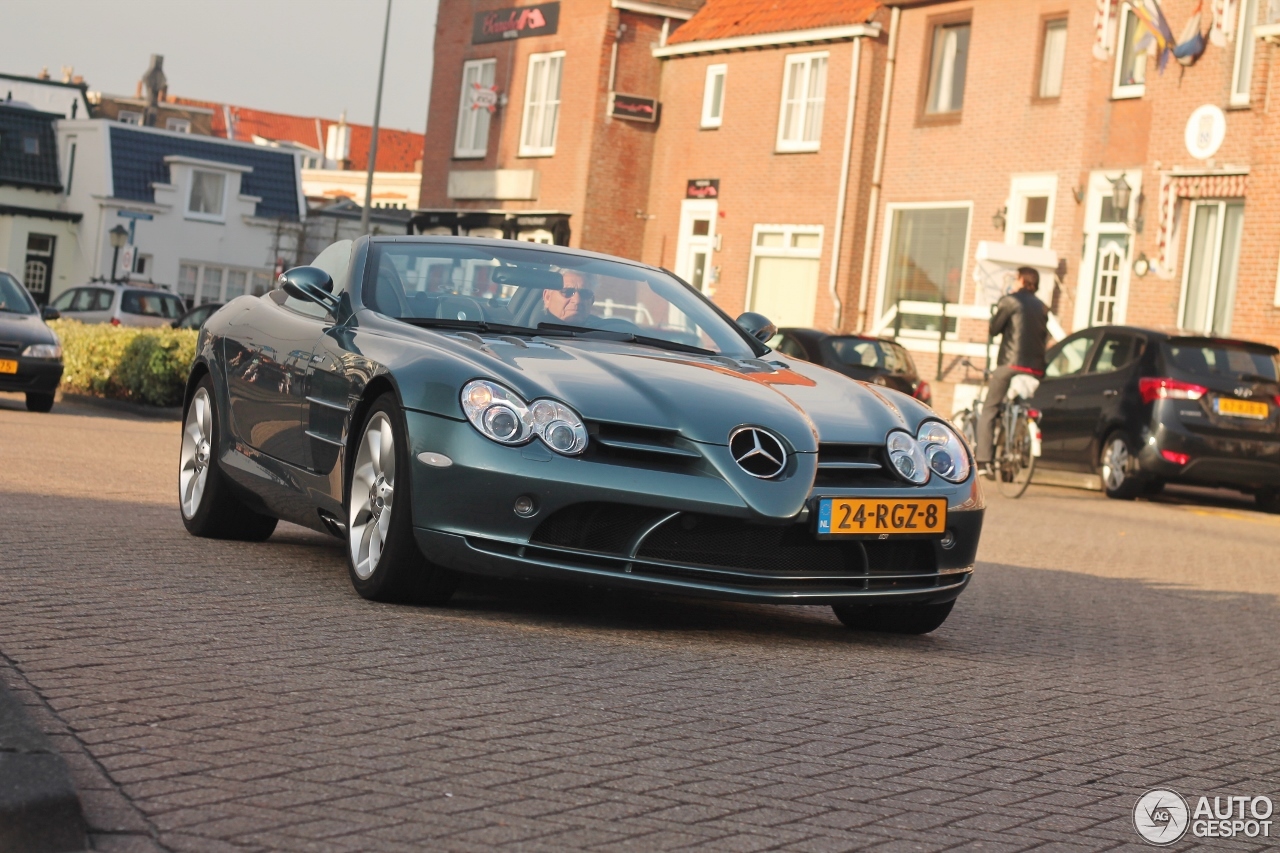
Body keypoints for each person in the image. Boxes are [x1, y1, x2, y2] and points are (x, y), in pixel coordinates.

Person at [976, 267, 1048, 477]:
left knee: (990, 408)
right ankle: (1012, 457)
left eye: (1016, 278)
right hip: (1035, 368)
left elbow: (994, 328)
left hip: (1010, 364)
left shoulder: (1010, 301)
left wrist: (1002, 302)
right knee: (1018, 407)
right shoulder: (1043, 307)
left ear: (1021, 280)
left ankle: (983, 461)